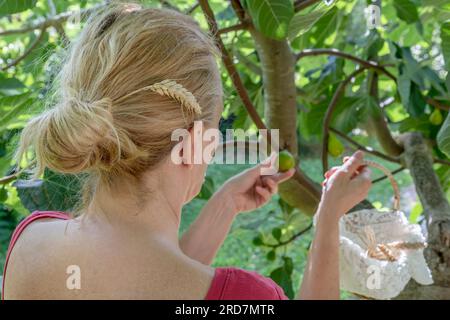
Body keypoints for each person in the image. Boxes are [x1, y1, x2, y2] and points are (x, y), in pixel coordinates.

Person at [1, 3, 372, 300]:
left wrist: (225, 204)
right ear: (193, 143)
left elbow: (152, 281)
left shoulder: (32, 240)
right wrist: (329, 221)